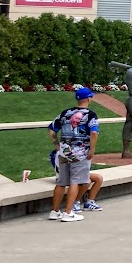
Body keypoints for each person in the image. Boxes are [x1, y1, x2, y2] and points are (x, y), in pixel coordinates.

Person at [47, 87, 99, 222]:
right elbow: (94, 133)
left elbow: (52, 129)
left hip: (64, 152)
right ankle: (68, 212)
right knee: (75, 181)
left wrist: (57, 145)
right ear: (88, 98)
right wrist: (92, 150)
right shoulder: (91, 114)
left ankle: (55, 211)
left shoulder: (65, 113)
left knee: (61, 182)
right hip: (80, 153)